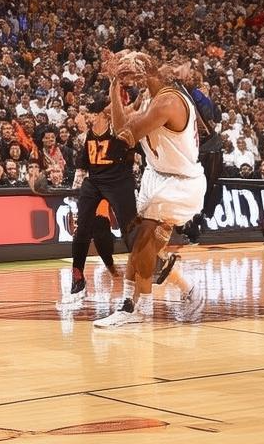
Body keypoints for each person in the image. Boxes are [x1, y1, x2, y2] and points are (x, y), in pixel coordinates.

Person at [93, 50, 206, 328]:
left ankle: (138, 308)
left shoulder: (167, 102)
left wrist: (118, 82)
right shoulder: (147, 97)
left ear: (149, 73)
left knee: (143, 241)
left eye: (134, 67)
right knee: (140, 243)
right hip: (156, 175)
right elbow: (120, 125)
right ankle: (181, 290)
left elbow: (127, 136)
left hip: (179, 181)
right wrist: (114, 86)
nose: (131, 72)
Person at [62, 94, 136, 304]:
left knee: (129, 229)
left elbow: (127, 110)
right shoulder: (87, 137)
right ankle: (77, 276)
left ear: (104, 115)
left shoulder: (120, 131)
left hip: (119, 183)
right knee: (82, 230)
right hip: (94, 183)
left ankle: (143, 267)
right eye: (88, 114)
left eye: (92, 114)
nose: (89, 117)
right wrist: (75, 188)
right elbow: (82, 166)